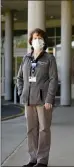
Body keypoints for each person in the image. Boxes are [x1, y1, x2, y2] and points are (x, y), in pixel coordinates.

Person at [17, 28, 58, 167]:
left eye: (39, 38)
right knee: (31, 129)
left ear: (44, 40)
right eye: (34, 38)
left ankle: (42, 160)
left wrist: (49, 99)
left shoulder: (49, 58)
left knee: (44, 130)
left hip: (43, 100)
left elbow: (53, 80)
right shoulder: (26, 58)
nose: (37, 40)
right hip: (28, 100)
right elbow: (20, 78)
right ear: (31, 40)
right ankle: (32, 158)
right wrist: (22, 92)